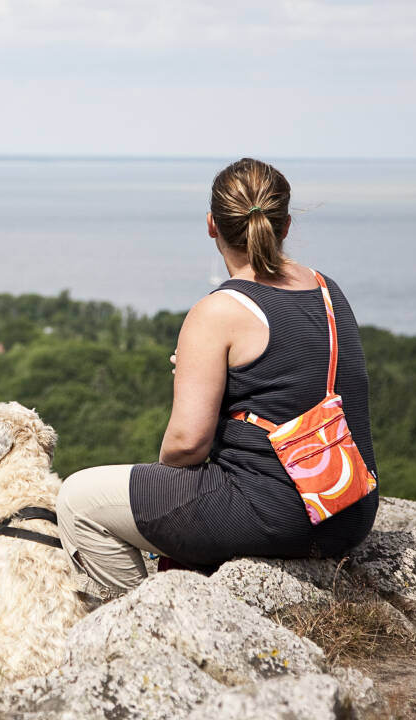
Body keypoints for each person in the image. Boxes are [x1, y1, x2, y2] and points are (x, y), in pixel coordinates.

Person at [55, 157, 379, 594]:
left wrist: (168, 483)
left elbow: (186, 445)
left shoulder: (220, 311)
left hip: (280, 515)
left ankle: (141, 625)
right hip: (346, 509)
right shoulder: (326, 289)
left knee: (78, 500)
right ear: (284, 226)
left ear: (212, 225)